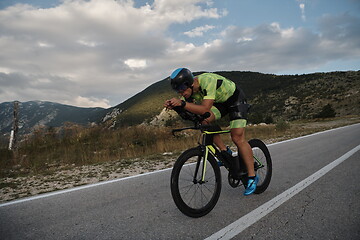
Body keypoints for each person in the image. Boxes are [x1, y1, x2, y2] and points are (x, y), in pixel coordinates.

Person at [164, 68, 258, 196]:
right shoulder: (188, 92)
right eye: (177, 90)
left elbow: (204, 109)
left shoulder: (207, 80)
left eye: (181, 89)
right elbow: (191, 115)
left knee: (237, 138)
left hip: (235, 100)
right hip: (220, 104)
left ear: (190, 83)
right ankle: (225, 151)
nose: (180, 93)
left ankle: (252, 177)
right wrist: (178, 108)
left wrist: (182, 103)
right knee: (204, 121)